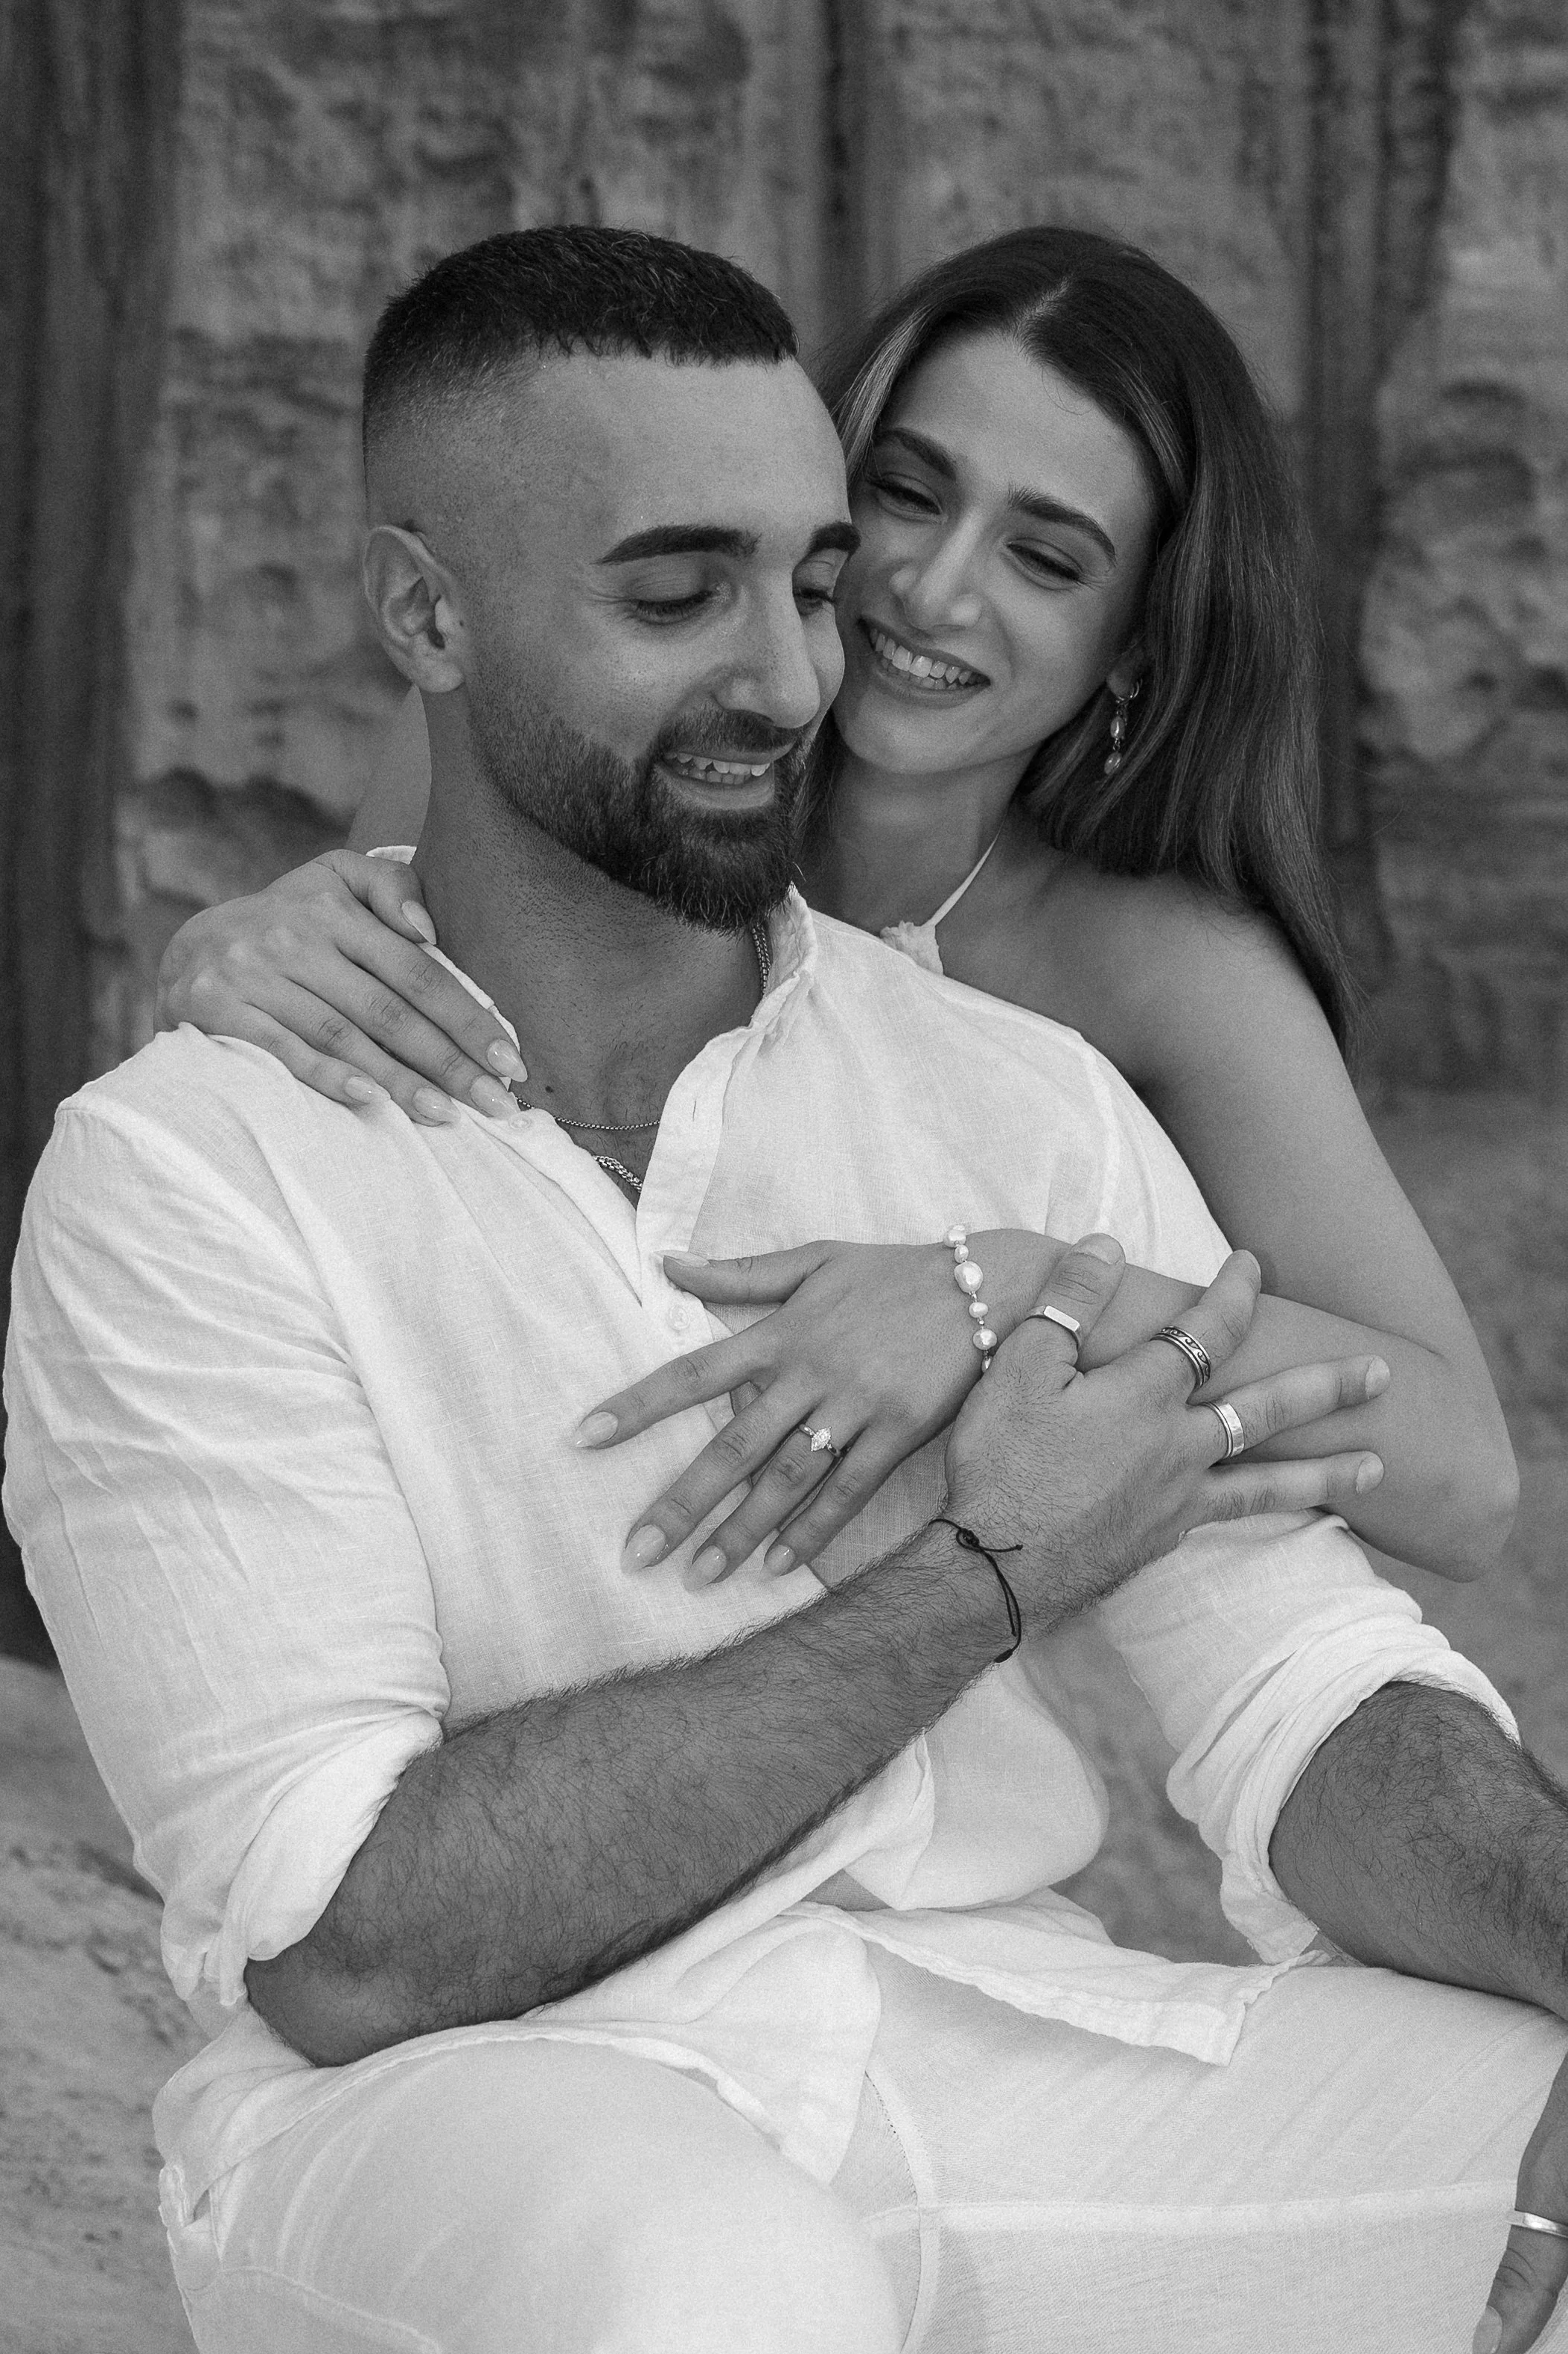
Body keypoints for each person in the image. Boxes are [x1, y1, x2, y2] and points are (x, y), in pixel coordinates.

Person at [7, 226, 1568, 2354]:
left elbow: (1297, 1682)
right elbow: (348, 1941)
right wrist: (980, 1578)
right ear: (425, 613)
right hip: (471, 2116)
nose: (806, 667)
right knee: (727, 2299)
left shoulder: (1040, 1093)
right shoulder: (194, 1171)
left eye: (810, 582)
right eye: (677, 595)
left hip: (993, 2034)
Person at [153, 225, 1517, 1590]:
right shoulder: (567, 735)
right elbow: (362, 1044)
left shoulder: (1163, 964)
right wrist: (241, 945)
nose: (929, 587)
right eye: (908, 496)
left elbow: (1463, 1483)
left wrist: (1004, 1293)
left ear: (1137, 648)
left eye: (1044, 560)